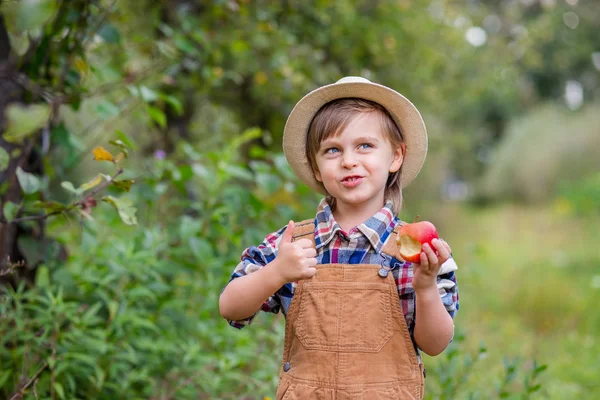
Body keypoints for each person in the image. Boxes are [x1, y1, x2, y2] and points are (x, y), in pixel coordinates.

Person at [219, 76, 459, 399]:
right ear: (316, 168)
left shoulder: (416, 253)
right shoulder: (293, 245)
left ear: (395, 157)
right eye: (332, 150)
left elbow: (435, 344)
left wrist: (426, 286)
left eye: (365, 146)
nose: (348, 161)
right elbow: (230, 306)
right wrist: (276, 272)